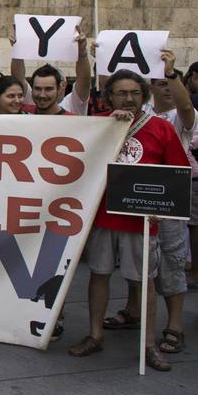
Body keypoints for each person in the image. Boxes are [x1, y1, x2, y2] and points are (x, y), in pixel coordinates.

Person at [68, 70, 190, 371]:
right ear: (110, 96)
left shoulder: (160, 128)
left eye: (135, 93)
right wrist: (113, 128)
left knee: (144, 281)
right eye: (122, 93)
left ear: (143, 95)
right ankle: (95, 335)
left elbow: (178, 171)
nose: (129, 99)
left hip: (141, 220)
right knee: (99, 275)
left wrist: (161, 206)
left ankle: (147, 345)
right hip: (104, 216)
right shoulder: (100, 126)